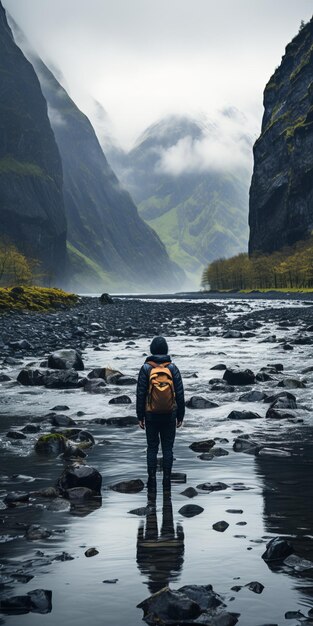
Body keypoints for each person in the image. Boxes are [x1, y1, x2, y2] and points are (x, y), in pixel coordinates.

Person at [136, 336, 185, 494]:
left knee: (152, 448)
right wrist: (181, 415)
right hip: (170, 414)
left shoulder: (146, 369)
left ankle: (151, 480)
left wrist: (140, 416)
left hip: (150, 415)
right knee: (168, 449)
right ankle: (166, 480)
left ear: (151, 350)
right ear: (166, 350)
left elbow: (140, 394)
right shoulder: (172, 368)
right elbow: (180, 393)